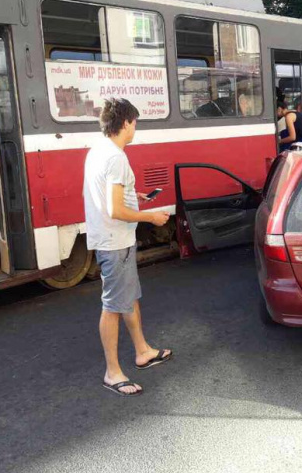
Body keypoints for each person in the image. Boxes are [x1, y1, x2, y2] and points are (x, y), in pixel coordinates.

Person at [83, 98, 172, 397]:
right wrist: (151, 217)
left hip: (112, 240)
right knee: (113, 307)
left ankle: (143, 351)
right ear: (125, 123)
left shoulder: (98, 150)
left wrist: (139, 195)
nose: (136, 128)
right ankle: (113, 372)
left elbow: (113, 195)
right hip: (115, 242)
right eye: (135, 122)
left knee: (129, 298)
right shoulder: (117, 157)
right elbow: (115, 209)